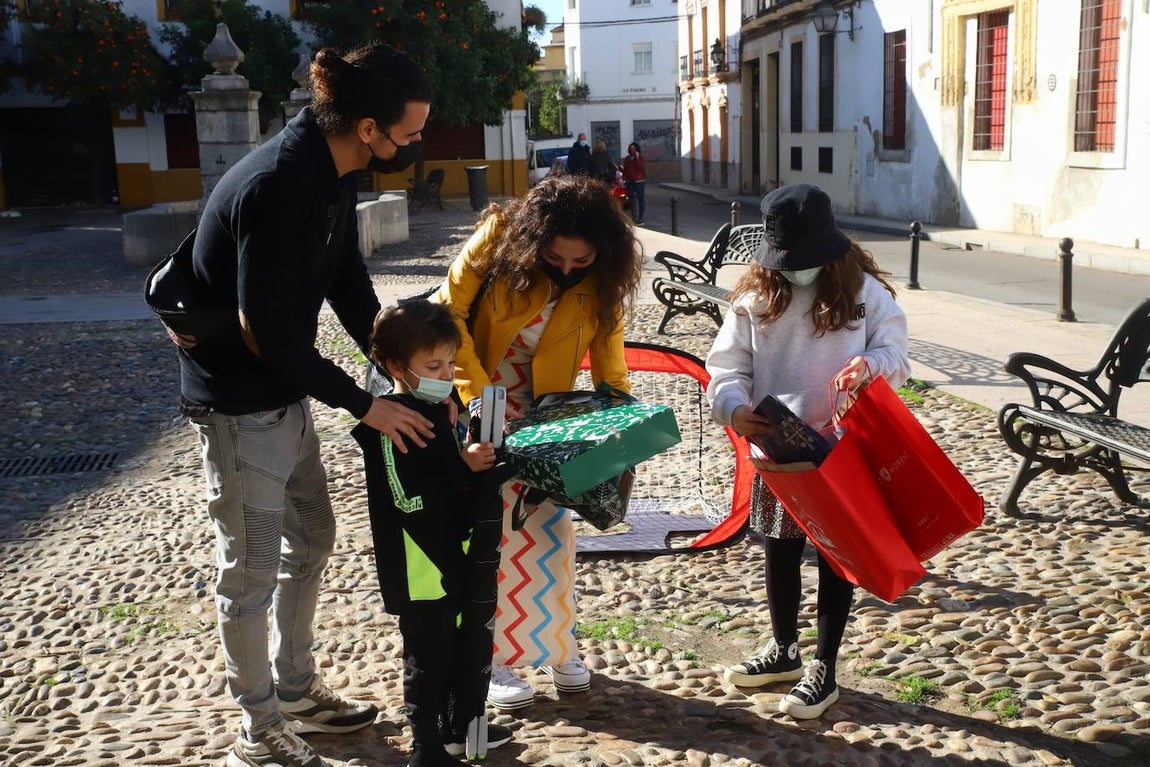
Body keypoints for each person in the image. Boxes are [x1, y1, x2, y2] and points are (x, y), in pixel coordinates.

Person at [174, 43, 436, 767]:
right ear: (368, 129)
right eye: (410, 133)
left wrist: (394, 360)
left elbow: (347, 280)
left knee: (313, 539)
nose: (417, 144)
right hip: (239, 408)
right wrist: (364, 405)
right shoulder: (280, 184)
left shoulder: (333, 172)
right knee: (250, 574)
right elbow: (266, 333)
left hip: (283, 395)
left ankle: (293, 691)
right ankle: (257, 731)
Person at [435, 173, 642, 711]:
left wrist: (619, 422)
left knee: (552, 529)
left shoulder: (605, 276)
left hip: (550, 414)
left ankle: (556, 643)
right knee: (491, 531)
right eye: (555, 258)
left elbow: (610, 356)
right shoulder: (497, 235)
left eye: (581, 261)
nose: (568, 270)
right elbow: (447, 312)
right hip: (478, 398)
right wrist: (479, 397)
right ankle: (492, 655)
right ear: (534, 241)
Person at [704, 183, 910, 720]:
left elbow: (895, 353)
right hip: (779, 448)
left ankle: (825, 666)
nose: (796, 272)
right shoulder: (755, 299)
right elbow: (727, 366)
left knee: (838, 557)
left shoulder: (864, 293)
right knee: (779, 548)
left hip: (843, 449)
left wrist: (871, 365)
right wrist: (733, 407)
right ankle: (784, 649)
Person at [354, 300, 513, 767]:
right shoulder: (391, 422)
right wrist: (462, 466)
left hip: (449, 553)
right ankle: (426, 748)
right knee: (428, 658)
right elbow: (408, 499)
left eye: (449, 364)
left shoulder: (439, 407)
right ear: (395, 366)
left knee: (463, 644)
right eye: (433, 366)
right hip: (418, 565)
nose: (445, 375)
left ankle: (458, 727)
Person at [621, 142, 646, 225]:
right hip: (630, 182)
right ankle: (634, 217)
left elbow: (641, 167)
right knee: (631, 200)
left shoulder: (640, 158)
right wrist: (623, 178)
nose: (632, 150)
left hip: (639, 182)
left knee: (640, 199)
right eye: (631, 148)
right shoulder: (628, 158)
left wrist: (637, 158)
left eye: (634, 148)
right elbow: (625, 170)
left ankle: (641, 218)